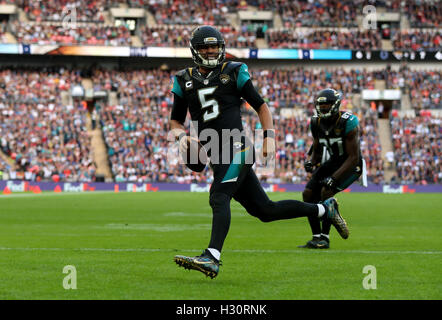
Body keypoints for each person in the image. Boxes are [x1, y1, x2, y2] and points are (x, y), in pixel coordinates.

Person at [169, 26, 349, 279]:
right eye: (204, 47)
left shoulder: (233, 70)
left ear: (221, 48)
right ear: (194, 50)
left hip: (238, 147)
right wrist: (181, 137)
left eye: (214, 46)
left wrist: (269, 138)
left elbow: (261, 106)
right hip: (215, 154)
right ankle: (323, 209)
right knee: (265, 210)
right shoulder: (182, 78)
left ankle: (212, 256)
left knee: (218, 197)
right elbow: (175, 121)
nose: (210, 51)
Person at [299, 88, 363, 249]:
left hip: (351, 165)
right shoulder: (316, 122)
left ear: (335, 105)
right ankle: (316, 236)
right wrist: (311, 161)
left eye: (327, 105)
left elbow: (353, 157)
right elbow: (317, 149)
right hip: (333, 161)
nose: (323, 108)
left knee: (326, 192)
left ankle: (324, 239)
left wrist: (333, 178)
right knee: (307, 194)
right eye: (321, 105)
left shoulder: (347, 121)